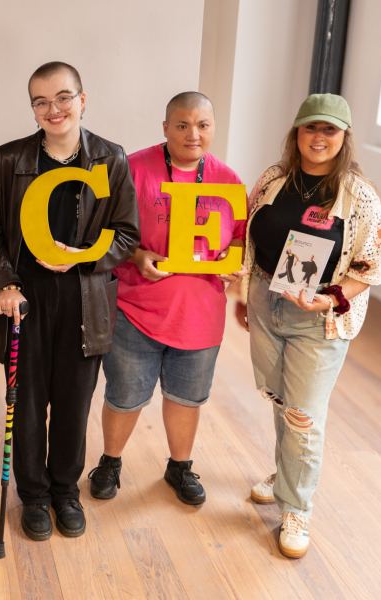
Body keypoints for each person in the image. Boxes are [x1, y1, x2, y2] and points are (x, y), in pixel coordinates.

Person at [0, 62, 140, 541]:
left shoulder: (110, 159)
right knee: (25, 402)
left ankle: (65, 490)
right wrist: (5, 281)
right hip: (25, 298)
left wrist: (86, 258)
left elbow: (126, 234)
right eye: (42, 101)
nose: (54, 109)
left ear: (83, 100)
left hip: (84, 298)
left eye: (64, 98)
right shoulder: (6, 160)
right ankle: (33, 494)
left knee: (74, 400)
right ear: (32, 108)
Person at [236, 94, 381, 558]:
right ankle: (285, 477)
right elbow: (247, 234)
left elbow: (370, 264)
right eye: (310, 129)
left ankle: (296, 507)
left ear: (344, 138)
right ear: (296, 133)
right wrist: (246, 295)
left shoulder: (358, 195)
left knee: (304, 413)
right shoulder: (273, 179)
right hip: (267, 299)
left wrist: (330, 299)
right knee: (283, 398)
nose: (319, 138)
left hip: (320, 316)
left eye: (330, 130)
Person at [88, 92, 246, 506]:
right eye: (182, 125)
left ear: (213, 128)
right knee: (124, 395)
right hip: (135, 310)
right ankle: (110, 461)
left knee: (186, 398)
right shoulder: (132, 169)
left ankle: (180, 466)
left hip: (199, 317)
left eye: (203, 125)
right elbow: (104, 231)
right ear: (165, 127)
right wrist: (137, 256)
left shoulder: (228, 181)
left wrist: (236, 268)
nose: (193, 134)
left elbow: (242, 240)